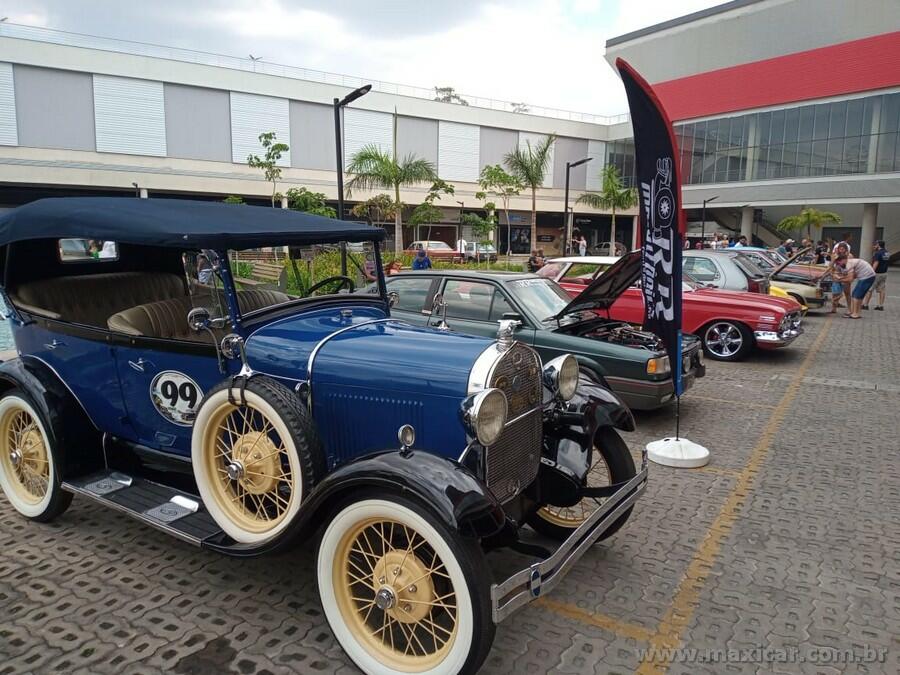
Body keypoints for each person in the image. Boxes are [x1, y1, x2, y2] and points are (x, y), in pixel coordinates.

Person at [834, 253, 876, 319]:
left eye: (839, 261)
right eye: (837, 261)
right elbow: (852, 276)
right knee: (859, 296)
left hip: (866, 277)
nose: (838, 263)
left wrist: (839, 279)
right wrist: (841, 278)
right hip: (868, 276)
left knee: (856, 295)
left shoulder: (848, 264)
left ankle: (855, 314)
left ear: (844, 259)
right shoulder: (850, 262)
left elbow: (850, 279)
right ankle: (857, 312)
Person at [863, 240, 889, 310]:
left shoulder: (878, 253)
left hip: (876, 274)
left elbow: (876, 263)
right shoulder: (887, 252)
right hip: (884, 273)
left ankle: (865, 305)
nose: (874, 246)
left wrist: (870, 273)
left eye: (875, 245)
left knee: (870, 289)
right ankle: (880, 305)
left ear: (878, 245)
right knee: (882, 289)